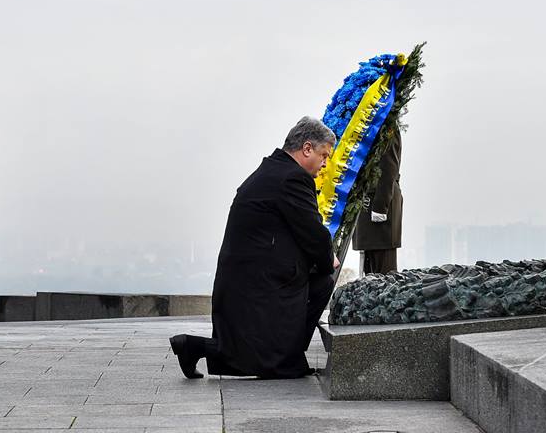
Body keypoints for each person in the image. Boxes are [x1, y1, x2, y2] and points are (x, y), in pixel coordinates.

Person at [170, 116, 338, 379]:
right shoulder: (293, 178)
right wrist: (329, 260)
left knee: (258, 354)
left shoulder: (273, 169)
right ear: (307, 148)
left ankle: (193, 346)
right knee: (324, 280)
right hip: (260, 284)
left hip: (244, 280)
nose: (325, 164)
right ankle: (289, 358)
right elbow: (314, 234)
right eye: (324, 155)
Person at [352, 130, 403, 274]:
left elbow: (389, 167)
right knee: (368, 264)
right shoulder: (367, 126)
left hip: (379, 202)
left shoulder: (388, 126)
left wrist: (380, 206)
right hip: (366, 200)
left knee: (384, 270)